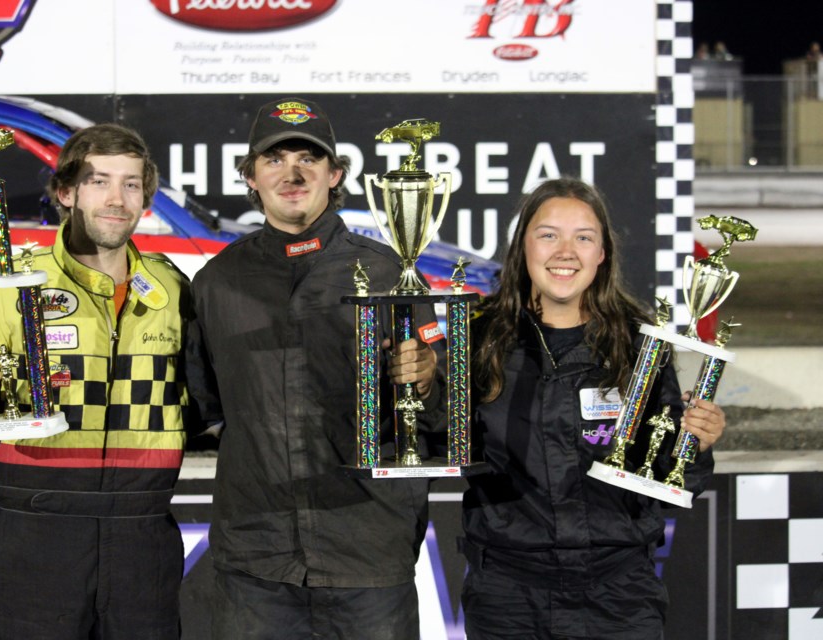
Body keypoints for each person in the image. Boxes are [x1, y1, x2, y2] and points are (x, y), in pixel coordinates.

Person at [185, 97, 445, 639]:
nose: (293, 172)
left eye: (308, 157)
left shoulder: (392, 275)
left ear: (336, 174)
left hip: (369, 558)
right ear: (250, 178)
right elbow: (204, 409)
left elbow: (440, 417)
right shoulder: (215, 283)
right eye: (274, 159)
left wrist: (427, 377)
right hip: (255, 564)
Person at [0, 124, 192, 639]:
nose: (116, 199)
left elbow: (202, 398)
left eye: (131, 184)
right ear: (66, 192)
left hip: (144, 536)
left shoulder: (172, 286)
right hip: (35, 531)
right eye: (98, 181)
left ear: (146, 200)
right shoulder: (12, 281)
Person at [460, 177, 726, 639]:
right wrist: (415, 387)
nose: (566, 251)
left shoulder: (637, 343)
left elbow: (670, 478)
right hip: (508, 596)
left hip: (619, 595)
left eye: (583, 237)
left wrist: (695, 444)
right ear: (522, 247)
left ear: (602, 254)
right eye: (548, 235)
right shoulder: (479, 339)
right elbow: (429, 443)